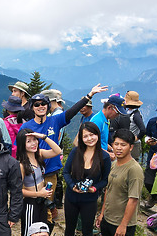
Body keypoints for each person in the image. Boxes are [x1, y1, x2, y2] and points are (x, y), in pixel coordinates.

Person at [19, 84, 108, 220]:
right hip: (32, 171)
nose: (40, 106)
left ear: (48, 106)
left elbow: (72, 111)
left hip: (50, 171)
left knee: (46, 206)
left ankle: (45, 232)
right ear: (32, 107)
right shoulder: (26, 126)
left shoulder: (55, 120)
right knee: (32, 204)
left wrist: (89, 96)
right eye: (37, 104)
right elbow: (19, 148)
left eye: (44, 103)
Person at [64, 122, 112, 236]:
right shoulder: (75, 152)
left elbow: (105, 179)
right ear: (81, 137)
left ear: (98, 135)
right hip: (72, 197)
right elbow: (66, 172)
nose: (89, 138)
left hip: (89, 200)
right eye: (85, 136)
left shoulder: (104, 156)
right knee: (69, 228)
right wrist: (72, 186)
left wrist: (95, 188)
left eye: (92, 135)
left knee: (87, 231)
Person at [16, 128, 62, 236]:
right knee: (28, 235)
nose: (33, 143)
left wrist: (42, 136)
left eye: (34, 140)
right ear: (22, 144)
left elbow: (57, 151)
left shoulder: (39, 154)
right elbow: (18, 191)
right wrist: (38, 194)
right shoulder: (21, 164)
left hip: (42, 202)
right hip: (30, 204)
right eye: (28, 141)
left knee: (41, 233)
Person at [115, 90, 146, 161]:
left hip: (134, 145)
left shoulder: (136, 115)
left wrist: (136, 138)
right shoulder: (129, 112)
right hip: (127, 143)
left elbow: (143, 130)